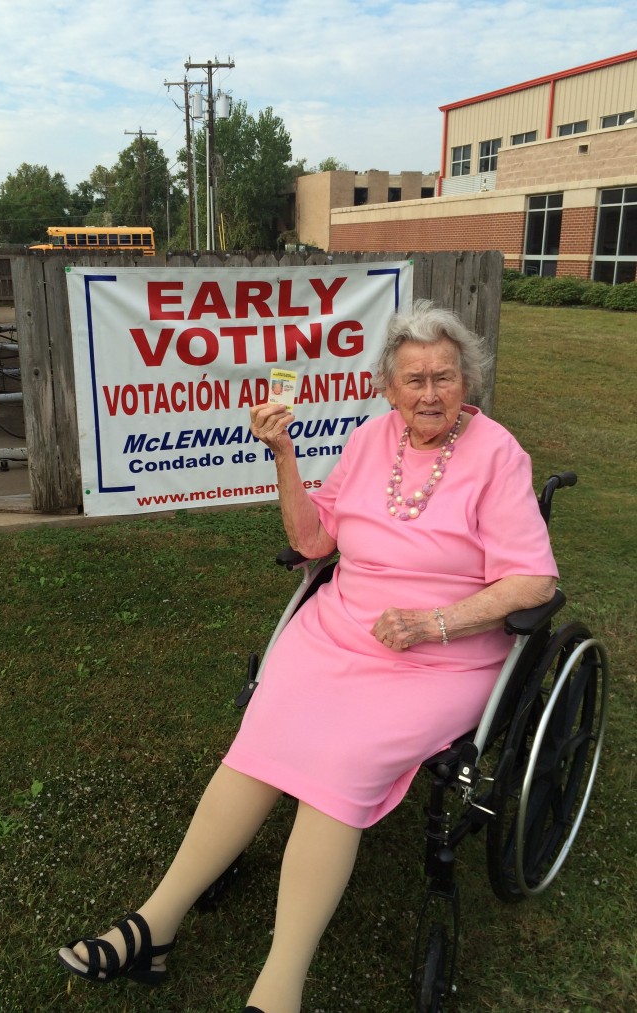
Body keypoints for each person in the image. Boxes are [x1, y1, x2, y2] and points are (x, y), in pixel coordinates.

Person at [57, 300, 558, 1013]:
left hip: (441, 651)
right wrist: (285, 455)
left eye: (444, 376)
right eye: (413, 379)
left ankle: (278, 987)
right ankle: (155, 923)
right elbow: (314, 539)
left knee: (341, 762)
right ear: (387, 387)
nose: (428, 393)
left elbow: (534, 581)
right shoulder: (367, 440)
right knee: (259, 737)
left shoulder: (497, 453)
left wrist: (435, 621)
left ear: (465, 381)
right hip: (339, 629)